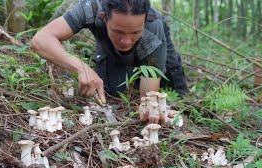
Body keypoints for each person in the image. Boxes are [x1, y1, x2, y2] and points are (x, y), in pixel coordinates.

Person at [31, 0, 188, 123]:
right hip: (108, 45)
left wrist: (150, 109)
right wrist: (81, 68)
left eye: (134, 32)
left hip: (152, 38)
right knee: (113, 89)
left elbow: (148, 97)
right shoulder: (91, 8)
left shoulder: (153, 27)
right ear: (103, 17)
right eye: (118, 31)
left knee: (171, 81)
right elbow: (41, 39)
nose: (126, 41)